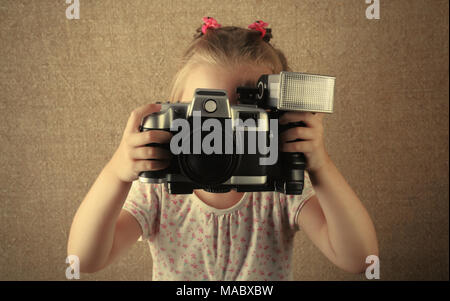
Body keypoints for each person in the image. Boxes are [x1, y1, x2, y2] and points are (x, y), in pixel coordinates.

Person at [67, 17, 378, 280]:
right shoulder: (160, 188)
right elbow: (85, 260)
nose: (223, 132)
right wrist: (117, 173)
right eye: (206, 114)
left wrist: (319, 165)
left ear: (276, 120)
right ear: (174, 115)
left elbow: (359, 260)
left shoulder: (278, 182)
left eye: (243, 115)